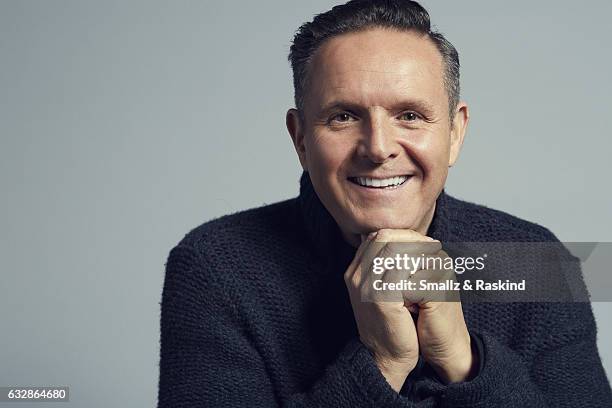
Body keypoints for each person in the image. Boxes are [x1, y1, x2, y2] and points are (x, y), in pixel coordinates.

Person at [157, 0, 612, 406]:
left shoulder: (536, 260)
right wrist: (382, 362)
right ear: (299, 138)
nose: (378, 148)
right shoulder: (215, 267)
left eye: (410, 115)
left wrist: (462, 360)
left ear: (455, 133)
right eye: (344, 116)